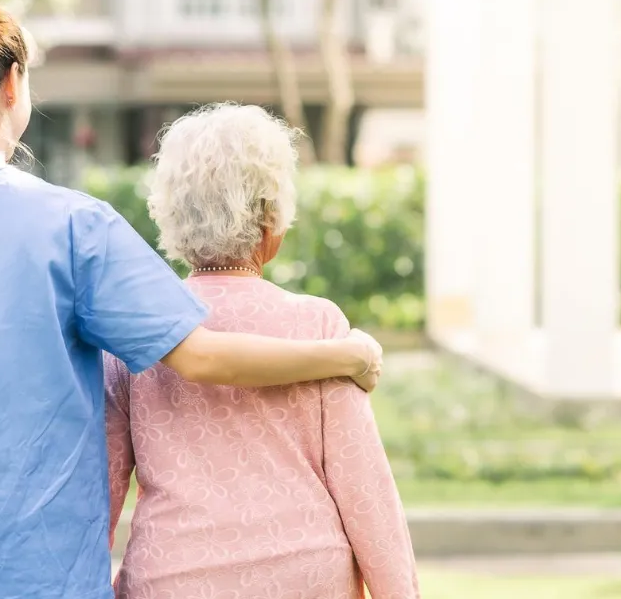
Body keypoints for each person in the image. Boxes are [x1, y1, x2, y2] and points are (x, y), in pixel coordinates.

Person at [0, 0, 384, 599]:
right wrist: (343, 354)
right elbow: (203, 355)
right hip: (35, 575)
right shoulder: (73, 226)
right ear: (12, 83)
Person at [106, 103, 419, 599]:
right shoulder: (318, 325)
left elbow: (99, 493)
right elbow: (367, 493)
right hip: (304, 575)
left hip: (175, 578)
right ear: (271, 216)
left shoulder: (133, 335)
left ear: (170, 214)